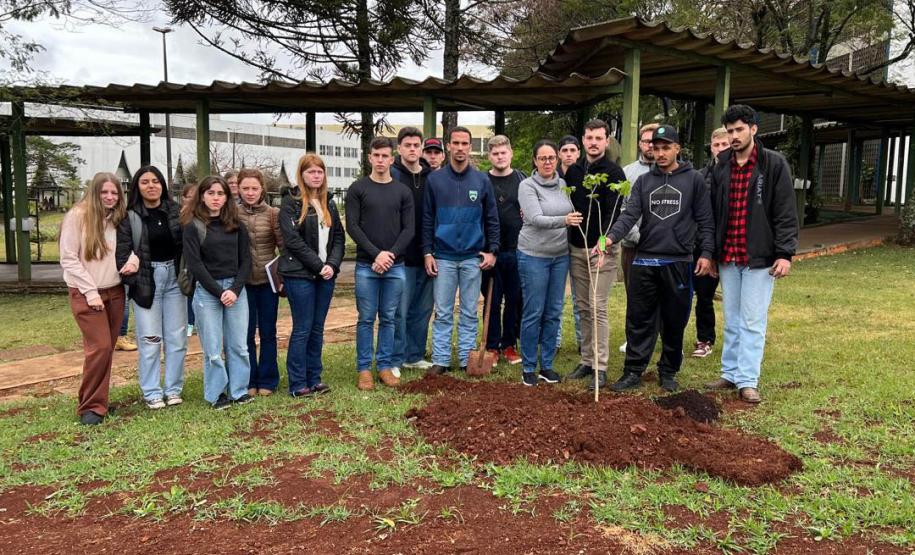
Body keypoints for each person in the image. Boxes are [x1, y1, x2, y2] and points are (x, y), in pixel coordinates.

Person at [604, 124, 715, 393]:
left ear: (678, 148)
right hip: (645, 261)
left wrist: (708, 254)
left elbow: (705, 220)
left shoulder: (694, 180)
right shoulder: (644, 181)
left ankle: (668, 371)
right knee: (639, 318)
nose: (661, 153)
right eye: (656, 148)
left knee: (674, 321)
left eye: (666, 147)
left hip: (677, 261)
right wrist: (609, 237)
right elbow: (629, 215)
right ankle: (633, 371)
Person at [705, 105, 798, 403]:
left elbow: (785, 211)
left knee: (753, 320)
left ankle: (748, 379)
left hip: (760, 257)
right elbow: (711, 212)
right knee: (732, 318)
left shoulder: (773, 164)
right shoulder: (721, 166)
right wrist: (711, 252)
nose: (733, 136)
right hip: (729, 255)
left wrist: (784, 253)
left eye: (739, 130)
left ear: (753, 129)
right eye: (729, 131)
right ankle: (730, 373)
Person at [423, 126, 500, 375]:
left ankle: (468, 358)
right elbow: (426, 219)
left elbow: (491, 219)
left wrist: (492, 251)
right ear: (449, 145)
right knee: (443, 312)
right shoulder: (435, 180)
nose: (459, 148)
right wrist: (427, 252)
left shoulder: (481, 180)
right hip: (443, 257)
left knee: (469, 311)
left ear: (470, 146)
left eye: (464, 143)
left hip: (471, 257)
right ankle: (441, 360)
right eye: (455, 143)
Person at [116, 165, 187, 410]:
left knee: (177, 338)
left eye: (156, 181)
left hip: (174, 279)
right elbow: (122, 253)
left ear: (163, 185)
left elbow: (187, 246)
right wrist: (132, 278)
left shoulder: (176, 212)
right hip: (147, 280)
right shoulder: (130, 217)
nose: (151, 186)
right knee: (150, 339)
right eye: (145, 182)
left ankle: (174, 388)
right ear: (137, 186)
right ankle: (152, 391)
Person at [346, 137, 414, 390]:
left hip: (395, 267)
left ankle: (384, 366)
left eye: (386, 156)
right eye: (377, 155)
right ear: (370, 157)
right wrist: (376, 255)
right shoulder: (357, 189)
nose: (381, 160)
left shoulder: (402, 191)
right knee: (366, 318)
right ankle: (364, 369)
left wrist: (390, 256)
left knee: (388, 318)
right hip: (367, 266)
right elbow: (353, 226)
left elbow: (409, 229)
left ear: (392, 159)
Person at [563, 119, 627, 390]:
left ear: (606, 140)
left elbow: (613, 215)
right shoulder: (573, 173)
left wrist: (604, 245)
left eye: (599, 138)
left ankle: (600, 367)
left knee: (598, 306)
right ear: (583, 139)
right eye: (589, 137)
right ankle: (587, 360)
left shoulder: (614, 174)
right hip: (576, 248)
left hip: (602, 249)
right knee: (583, 306)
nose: (593, 142)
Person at [60, 172, 128, 425]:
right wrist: (90, 292)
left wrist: (133, 259)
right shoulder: (77, 216)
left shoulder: (116, 219)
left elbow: (125, 250)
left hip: (115, 291)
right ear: (94, 192)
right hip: (87, 293)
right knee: (98, 348)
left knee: (106, 350)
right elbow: (69, 258)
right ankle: (89, 407)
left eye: (114, 193)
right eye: (104, 192)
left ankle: (99, 402)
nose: (110, 197)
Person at [183, 175, 253, 409]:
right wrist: (218, 291)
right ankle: (216, 394)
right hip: (207, 291)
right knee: (213, 349)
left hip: (235, 289)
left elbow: (246, 261)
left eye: (220, 194)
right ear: (202, 196)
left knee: (238, 346)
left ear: (227, 197)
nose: (216, 198)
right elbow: (195, 265)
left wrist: (234, 290)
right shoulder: (193, 226)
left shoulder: (237, 226)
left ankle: (239, 390)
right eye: (211, 193)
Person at [279, 153, 345, 397]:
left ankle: (314, 377)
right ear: (302, 174)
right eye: (311, 172)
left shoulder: (329, 202)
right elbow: (293, 241)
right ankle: (298, 383)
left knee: (318, 328)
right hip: (300, 275)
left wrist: (333, 265)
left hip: (326, 275)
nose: (316, 176)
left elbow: (338, 236)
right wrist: (318, 265)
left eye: (320, 171)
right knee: (303, 328)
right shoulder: (291, 202)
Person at [516, 140, 581, 386]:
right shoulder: (527, 186)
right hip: (534, 255)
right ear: (534, 161)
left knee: (554, 311)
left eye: (551, 158)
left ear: (557, 160)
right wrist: (564, 220)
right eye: (542, 158)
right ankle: (529, 367)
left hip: (559, 256)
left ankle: (548, 365)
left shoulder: (564, 184)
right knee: (534, 312)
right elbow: (535, 218)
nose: (547, 162)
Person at [391, 127, 434, 372]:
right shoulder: (393, 175)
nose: (412, 149)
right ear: (399, 148)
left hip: (427, 254)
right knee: (400, 310)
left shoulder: (431, 177)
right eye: (407, 145)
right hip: (401, 256)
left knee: (422, 309)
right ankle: (396, 358)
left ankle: (414, 355)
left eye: (416, 145)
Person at [237, 168, 283, 396]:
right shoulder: (232, 214)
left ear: (262, 189)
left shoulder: (273, 213)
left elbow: (283, 245)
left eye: (254, 188)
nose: (250, 192)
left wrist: (282, 276)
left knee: (267, 332)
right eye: (245, 188)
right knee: (244, 334)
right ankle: (248, 379)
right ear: (238, 189)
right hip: (242, 283)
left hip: (267, 282)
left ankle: (268, 379)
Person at [481, 135, 524, 365]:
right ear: (490, 156)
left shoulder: (522, 179)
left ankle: (509, 345)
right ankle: (491, 345)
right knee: (492, 300)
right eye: (495, 153)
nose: (500, 157)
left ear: (511, 153)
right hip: (490, 252)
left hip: (517, 250)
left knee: (514, 299)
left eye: (503, 152)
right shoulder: (482, 181)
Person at [618, 123, 659, 354]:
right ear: (639, 144)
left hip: (664, 247)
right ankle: (633, 339)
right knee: (634, 294)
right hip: (634, 245)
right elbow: (623, 209)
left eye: (655, 141)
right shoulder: (628, 173)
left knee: (663, 296)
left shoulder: (677, 172)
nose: (651, 146)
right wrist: (637, 235)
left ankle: (665, 339)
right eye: (646, 141)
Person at [691, 127, 730, 358]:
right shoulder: (700, 176)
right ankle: (704, 339)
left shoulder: (743, 175)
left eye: (724, 145)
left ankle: (742, 342)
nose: (720, 149)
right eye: (716, 145)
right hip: (704, 246)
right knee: (704, 296)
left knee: (737, 302)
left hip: (732, 247)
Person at [180, 183, 198, 336]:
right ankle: (189, 322)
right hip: (184, 261)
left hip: (200, 261)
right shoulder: (179, 216)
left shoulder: (202, 216)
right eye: (189, 197)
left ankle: (195, 322)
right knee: (187, 291)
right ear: (183, 198)